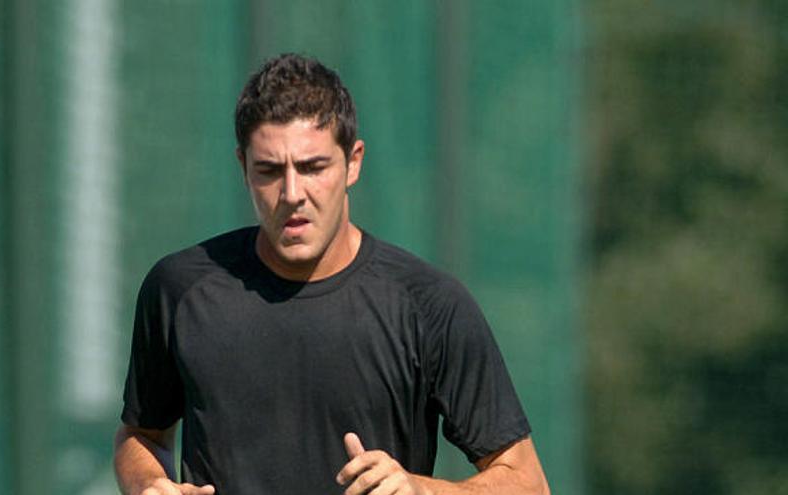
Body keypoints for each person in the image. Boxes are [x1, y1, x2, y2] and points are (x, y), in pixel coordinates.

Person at [113, 53, 550, 495]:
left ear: (353, 162)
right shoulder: (179, 288)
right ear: (243, 166)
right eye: (269, 170)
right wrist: (150, 484)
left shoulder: (430, 305)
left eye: (313, 167)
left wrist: (421, 490)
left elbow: (527, 482)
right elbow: (141, 436)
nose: (292, 193)